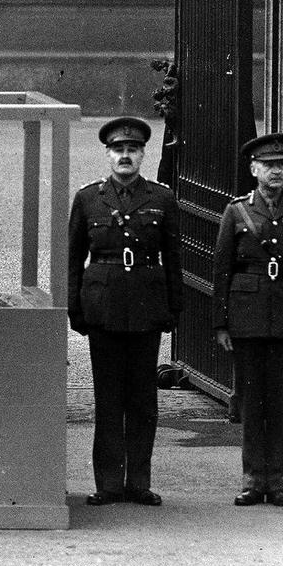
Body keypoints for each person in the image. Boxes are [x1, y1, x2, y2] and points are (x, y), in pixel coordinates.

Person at [66, 116, 182, 507]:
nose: (126, 156)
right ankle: (109, 484)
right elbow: (73, 257)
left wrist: (173, 309)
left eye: (133, 150)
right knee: (108, 400)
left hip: (146, 307)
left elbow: (174, 258)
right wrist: (75, 310)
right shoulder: (87, 199)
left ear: (143, 154)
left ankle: (139, 484)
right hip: (104, 307)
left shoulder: (162, 198)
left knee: (143, 401)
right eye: (119, 150)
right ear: (108, 155)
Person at [213, 132, 283, 507]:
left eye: (281, 165)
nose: (276, 172)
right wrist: (221, 324)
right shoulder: (237, 211)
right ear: (254, 169)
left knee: (278, 402)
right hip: (247, 319)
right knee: (251, 401)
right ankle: (251, 480)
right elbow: (222, 270)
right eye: (269, 165)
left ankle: (277, 482)